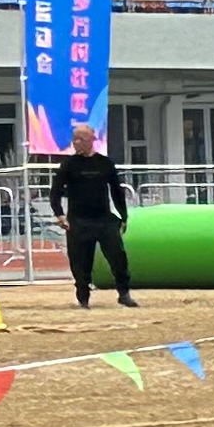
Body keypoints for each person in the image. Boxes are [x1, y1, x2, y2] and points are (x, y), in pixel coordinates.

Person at [49, 125, 133, 309]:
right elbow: (54, 192)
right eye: (74, 139)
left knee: (118, 257)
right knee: (80, 262)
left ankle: (124, 293)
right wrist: (60, 214)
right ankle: (83, 298)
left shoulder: (105, 163)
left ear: (91, 140)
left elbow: (117, 191)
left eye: (80, 139)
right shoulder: (69, 165)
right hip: (78, 221)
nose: (76, 143)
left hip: (104, 219)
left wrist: (123, 215)